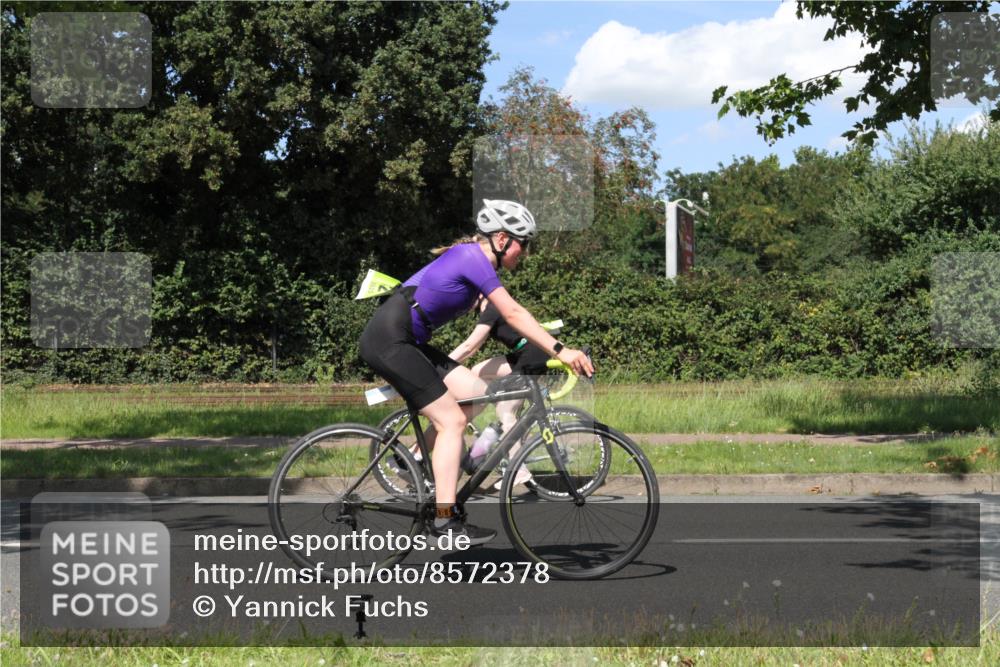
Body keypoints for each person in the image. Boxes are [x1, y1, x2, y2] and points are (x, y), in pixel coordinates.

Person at [359, 199, 594, 545]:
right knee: (452, 421)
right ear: (501, 239)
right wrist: (561, 350)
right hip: (390, 340)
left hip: (408, 340)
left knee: (478, 393)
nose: (524, 254)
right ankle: (443, 518)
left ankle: (418, 462)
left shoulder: (471, 259)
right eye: (522, 245)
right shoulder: (473, 257)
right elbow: (513, 313)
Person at [448, 295, 554, 488]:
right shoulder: (489, 310)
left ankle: (518, 470)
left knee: (506, 411)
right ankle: (493, 429)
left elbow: (469, 346)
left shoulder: (492, 308)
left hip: (533, 356)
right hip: (522, 354)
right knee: (477, 373)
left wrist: (442, 365)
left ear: (479, 293)